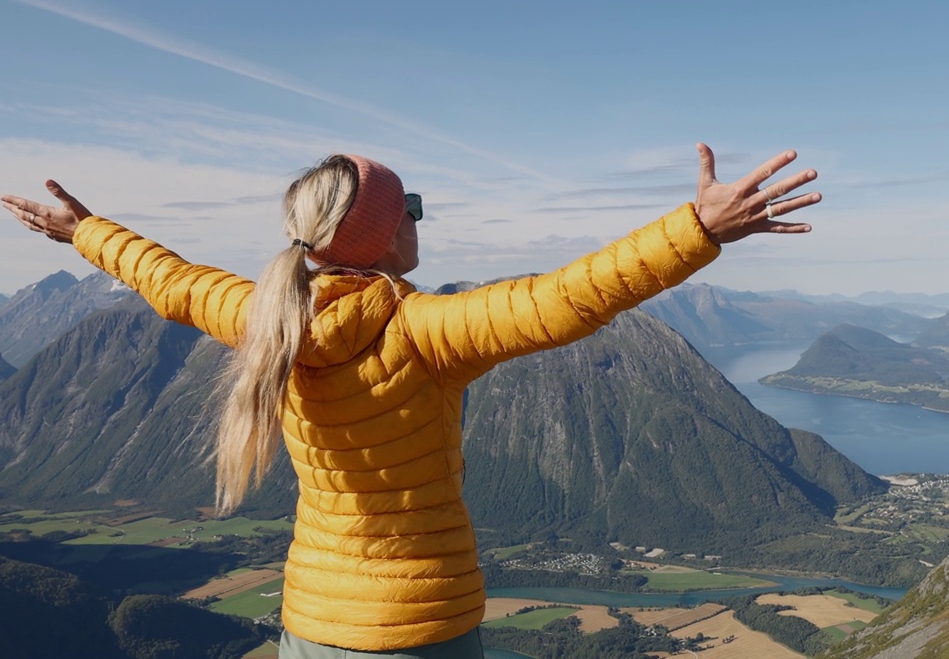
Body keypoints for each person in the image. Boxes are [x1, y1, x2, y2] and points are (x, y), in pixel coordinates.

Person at [2, 144, 820, 658]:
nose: (421, 221)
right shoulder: (426, 331)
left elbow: (171, 281)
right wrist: (697, 230)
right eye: (412, 209)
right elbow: (570, 296)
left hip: (311, 628)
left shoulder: (265, 319)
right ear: (387, 237)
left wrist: (87, 232)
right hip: (424, 628)